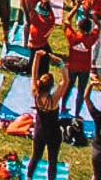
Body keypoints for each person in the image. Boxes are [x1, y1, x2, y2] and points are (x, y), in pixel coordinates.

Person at [26, 49, 69, 180]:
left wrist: (37, 57)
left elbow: (33, 73)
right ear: (51, 87)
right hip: (53, 133)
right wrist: (61, 64)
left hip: (39, 131)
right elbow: (65, 81)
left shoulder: (35, 93)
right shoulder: (53, 99)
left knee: (35, 156)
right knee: (52, 161)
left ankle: (28, 176)